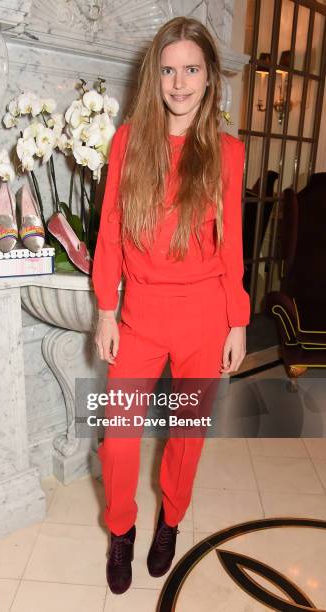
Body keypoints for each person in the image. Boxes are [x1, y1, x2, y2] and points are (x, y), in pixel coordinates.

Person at [91, 15, 250, 594]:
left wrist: (237, 319)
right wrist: (106, 309)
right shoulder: (129, 141)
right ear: (153, 75)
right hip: (140, 316)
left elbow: (232, 242)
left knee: (185, 439)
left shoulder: (227, 153)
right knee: (119, 434)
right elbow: (110, 230)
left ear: (210, 79)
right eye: (168, 69)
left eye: (191, 70)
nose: (179, 82)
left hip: (205, 317)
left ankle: (171, 522)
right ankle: (120, 530)